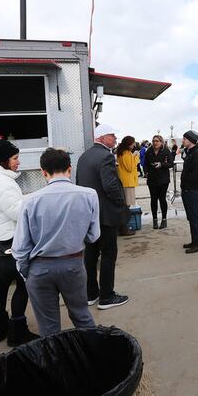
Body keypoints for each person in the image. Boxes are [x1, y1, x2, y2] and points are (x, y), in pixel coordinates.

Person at [12, 148, 100, 337]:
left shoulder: (30, 201)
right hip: (73, 263)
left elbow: (20, 247)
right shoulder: (89, 195)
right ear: (70, 169)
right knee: (82, 317)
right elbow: (93, 236)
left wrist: (26, 271)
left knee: (49, 328)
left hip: (39, 268)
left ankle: (55, 364)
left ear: (43, 172)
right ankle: (95, 356)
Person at [0, 139, 39, 346]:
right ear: (3, 161)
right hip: (9, 241)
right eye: (15, 158)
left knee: (0, 288)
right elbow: (17, 212)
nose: (18, 162)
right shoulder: (1, 181)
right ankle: (17, 331)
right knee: (23, 285)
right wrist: (37, 197)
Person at [76, 124, 130, 310]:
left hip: (89, 215)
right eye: (112, 135)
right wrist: (120, 203)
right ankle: (107, 296)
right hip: (105, 215)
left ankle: (91, 294)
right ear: (101, 137)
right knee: (108, 254)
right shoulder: (106, 156)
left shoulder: (83, 157)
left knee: (90, 255)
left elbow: (79, 186)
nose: (115, 139)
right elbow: (110, 186)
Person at [180, 130, 198, 253]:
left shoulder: (197, 154)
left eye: (184, 139)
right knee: (191, 217)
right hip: (187, 190)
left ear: (190, 140)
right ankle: (194, 241)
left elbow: (197, 174)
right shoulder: (190, 152)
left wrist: (188, 184)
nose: (182, 141)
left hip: (192, 190)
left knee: (194, 218)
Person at [144, 134, 174, 229]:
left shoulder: (165, 151)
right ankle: (155, 220)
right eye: (153, 141)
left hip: (163, 179)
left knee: (162, 199)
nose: (155, 143)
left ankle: (164, 219)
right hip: (152, 179)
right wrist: (146, 172)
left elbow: (171, 164)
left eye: (157, 141)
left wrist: (161, 164)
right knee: (153, 199)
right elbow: (145, 164)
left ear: (161, 142)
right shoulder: (149, 151)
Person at [116, 136, 139, 237]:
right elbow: (130, 168)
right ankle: (124, 228)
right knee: (126, 206)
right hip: (128, 182)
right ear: (129, 144)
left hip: (124, 181)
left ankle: (122, 227)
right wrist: (136, 157)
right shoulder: (127, 154)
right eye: (133, 143)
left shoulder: (121, 153)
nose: (134, 145)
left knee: (124, 205)